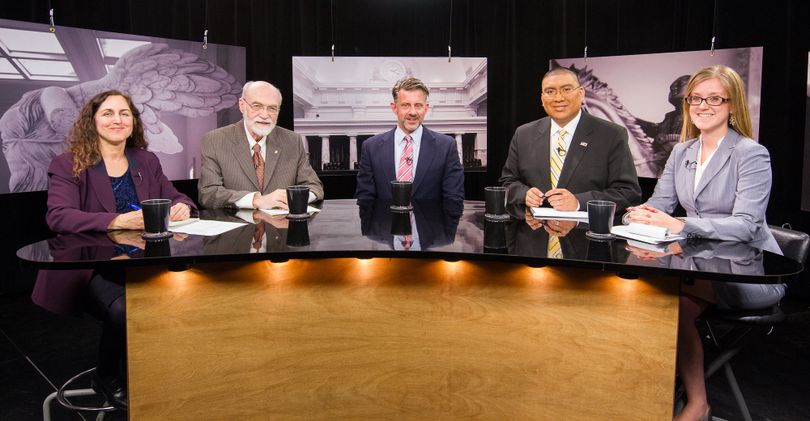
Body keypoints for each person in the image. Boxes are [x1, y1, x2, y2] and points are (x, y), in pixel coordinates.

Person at [623, 65, 783, 421]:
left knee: (675, 302)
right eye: (696, 98)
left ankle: (697, 403)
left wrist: (678, 222)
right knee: (644, 294)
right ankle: (643, 395)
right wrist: (637, 215)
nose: (703, 106)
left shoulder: (750, 153)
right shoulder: (682, 152)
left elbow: (746, 226)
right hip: (700, 266)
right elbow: (659, 204)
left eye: (714, 98)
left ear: (731, 105)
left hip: (748, 273)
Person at [34, 90, 196, 409]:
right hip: (90, 265)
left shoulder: (145, 160)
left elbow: (175, 195)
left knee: (184, 296)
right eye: (108, 113)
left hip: (142, 262)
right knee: (126, 308)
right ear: (92, 121)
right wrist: (117, 220)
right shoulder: (68, 163)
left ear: (133, 122)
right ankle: (107, 375)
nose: (117, 120)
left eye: (124, 113)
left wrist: (183, 207)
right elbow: (58, 215)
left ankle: (154, 370)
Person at [499, 67, 641, 211]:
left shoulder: (612, 135)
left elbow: (628, 192)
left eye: (566, 89)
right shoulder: (523, 134)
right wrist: (524, 194)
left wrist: (579, 202)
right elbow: (507, 182)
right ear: (542, 98)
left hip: (584, 230)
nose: (558, 98)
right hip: (533, 229)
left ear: (581, 94)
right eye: (550, 91)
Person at [199, 81, 323, 209]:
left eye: (272, 108)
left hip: (281, 226)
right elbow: (208, 193)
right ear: (242, 105)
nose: (264, 115)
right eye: (257, 106)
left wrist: (293, 197)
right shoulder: (215, 140)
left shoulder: (292, 140)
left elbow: (315, 187)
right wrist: (256, 200)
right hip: (239, 226)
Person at [355, 76, 464, 202]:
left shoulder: (446, 146)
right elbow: (364, 200)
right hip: (385, 221)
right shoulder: (370, 147)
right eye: (406, 105)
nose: (413, 112)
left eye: (418, 105)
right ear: (394, 107)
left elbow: (454, 199)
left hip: (430, 221)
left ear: (426, 108)